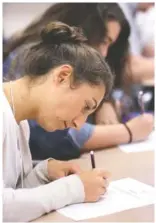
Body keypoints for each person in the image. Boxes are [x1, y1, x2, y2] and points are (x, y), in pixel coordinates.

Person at [3, 3, 154, 161]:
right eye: (103, 40)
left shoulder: (21, 125)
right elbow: (51, 135)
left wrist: (104, 102)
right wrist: (128, 132)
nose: (104, 52)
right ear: (62, 76)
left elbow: (19, 174)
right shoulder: (29, 59)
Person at [3, 21, 113, 222]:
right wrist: (74, 189)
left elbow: (12, 192)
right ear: (63, 76)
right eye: (85, 106)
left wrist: (42, 173)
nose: (79, 123)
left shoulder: (20, 123)